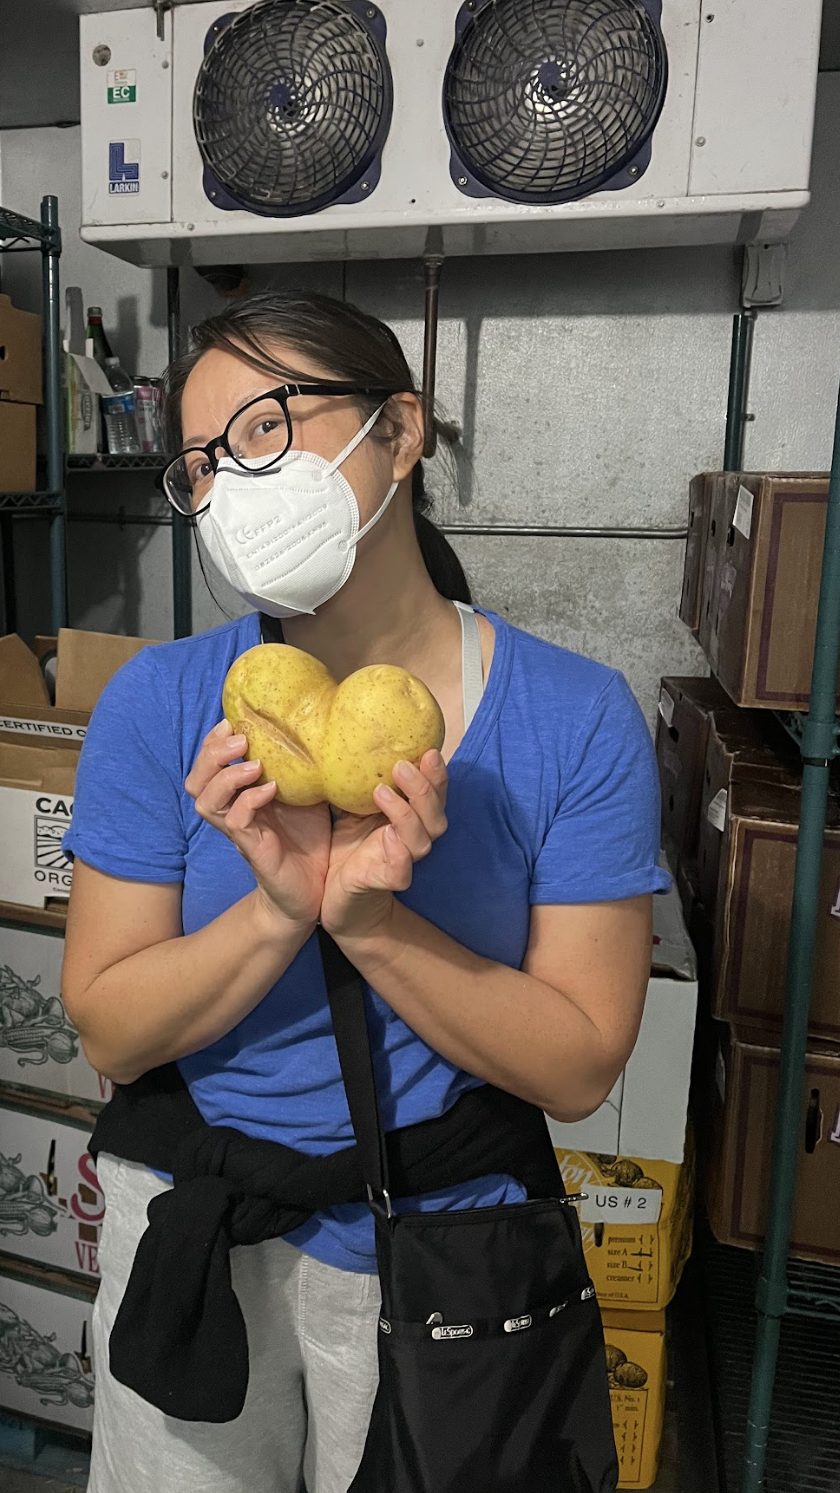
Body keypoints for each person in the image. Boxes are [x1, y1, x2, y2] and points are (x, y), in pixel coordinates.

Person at [61, 290, 667, 1493]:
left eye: (266, 429)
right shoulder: (161, 705)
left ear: (401, 430)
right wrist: (276, 910)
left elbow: (580, 1066)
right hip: (195, 1233)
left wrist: (374, 924)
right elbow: (109, 1029)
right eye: (203, 463)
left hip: (446, 1249)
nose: (232, 487)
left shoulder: (577, 719)